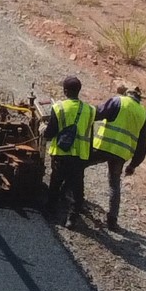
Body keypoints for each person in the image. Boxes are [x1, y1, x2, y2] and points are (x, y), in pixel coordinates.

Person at [91, 82, 146, 231]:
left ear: (127, 94)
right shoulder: (143, 114)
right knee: (114, 185)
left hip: (104, 146)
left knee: (79, 165)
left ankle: (68, 195)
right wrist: (133, 165)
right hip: (121, 154)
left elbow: (97, 113)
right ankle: (112, 221)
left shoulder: (118, 101)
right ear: (139, 98)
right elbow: (142, 145)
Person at [43, 75, 95, 223]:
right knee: (77, 186)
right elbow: (89, 133)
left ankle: (50, 209)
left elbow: (51, 131)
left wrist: (43, 131)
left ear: (65, 91)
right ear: (79, 90)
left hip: (61, 153)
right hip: (80, 155)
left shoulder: (59, 107)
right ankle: (73, 217)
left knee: (56, 182)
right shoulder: (90, 110)